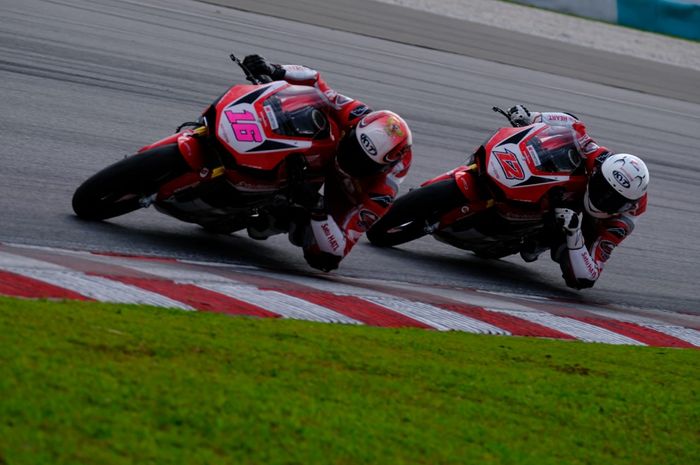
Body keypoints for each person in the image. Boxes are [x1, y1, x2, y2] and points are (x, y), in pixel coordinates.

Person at [241, 55, 413, 272]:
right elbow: (316, 82)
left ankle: (279, 217)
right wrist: (273, 69)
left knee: (323, 258)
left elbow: (339, 248)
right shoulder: (357, 115)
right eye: (353, 147)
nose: (352, 159)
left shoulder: (380, 193)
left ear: (381, 168)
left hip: (348, 190)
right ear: (357, 128)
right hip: (327, 151)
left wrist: (317, 207)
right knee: (309, 109)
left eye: (363, 161)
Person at [506, 105, 649, 289]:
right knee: (563, 153)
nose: (602, 198)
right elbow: (574, 124)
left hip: (597, 223)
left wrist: (574, 234)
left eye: (612, 200)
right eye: (602, 187)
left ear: (626, 205)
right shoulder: (599, 158)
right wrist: (532, 117)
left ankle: (544, 240)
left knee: (577, 277)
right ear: (600, 171)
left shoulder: (620, 224)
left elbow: (589, 275)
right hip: (583, 186)